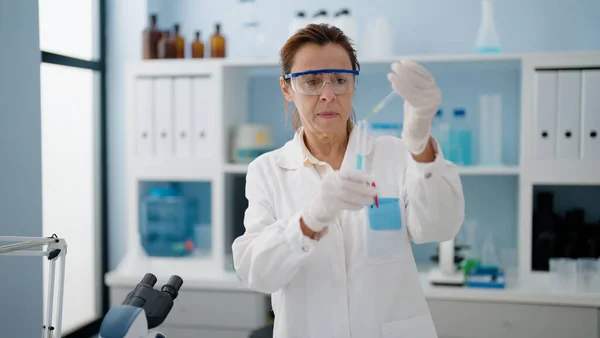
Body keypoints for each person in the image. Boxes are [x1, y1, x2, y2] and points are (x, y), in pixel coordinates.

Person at [232, 23, 465, 338]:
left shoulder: (396, 155)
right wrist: (311, 219)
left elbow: (439, 227)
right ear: (287, 89)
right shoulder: (267, 171)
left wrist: (420, 140)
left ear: (353, 85)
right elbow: (257, 273)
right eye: (312, 81)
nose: (328, 95)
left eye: (340, 80)